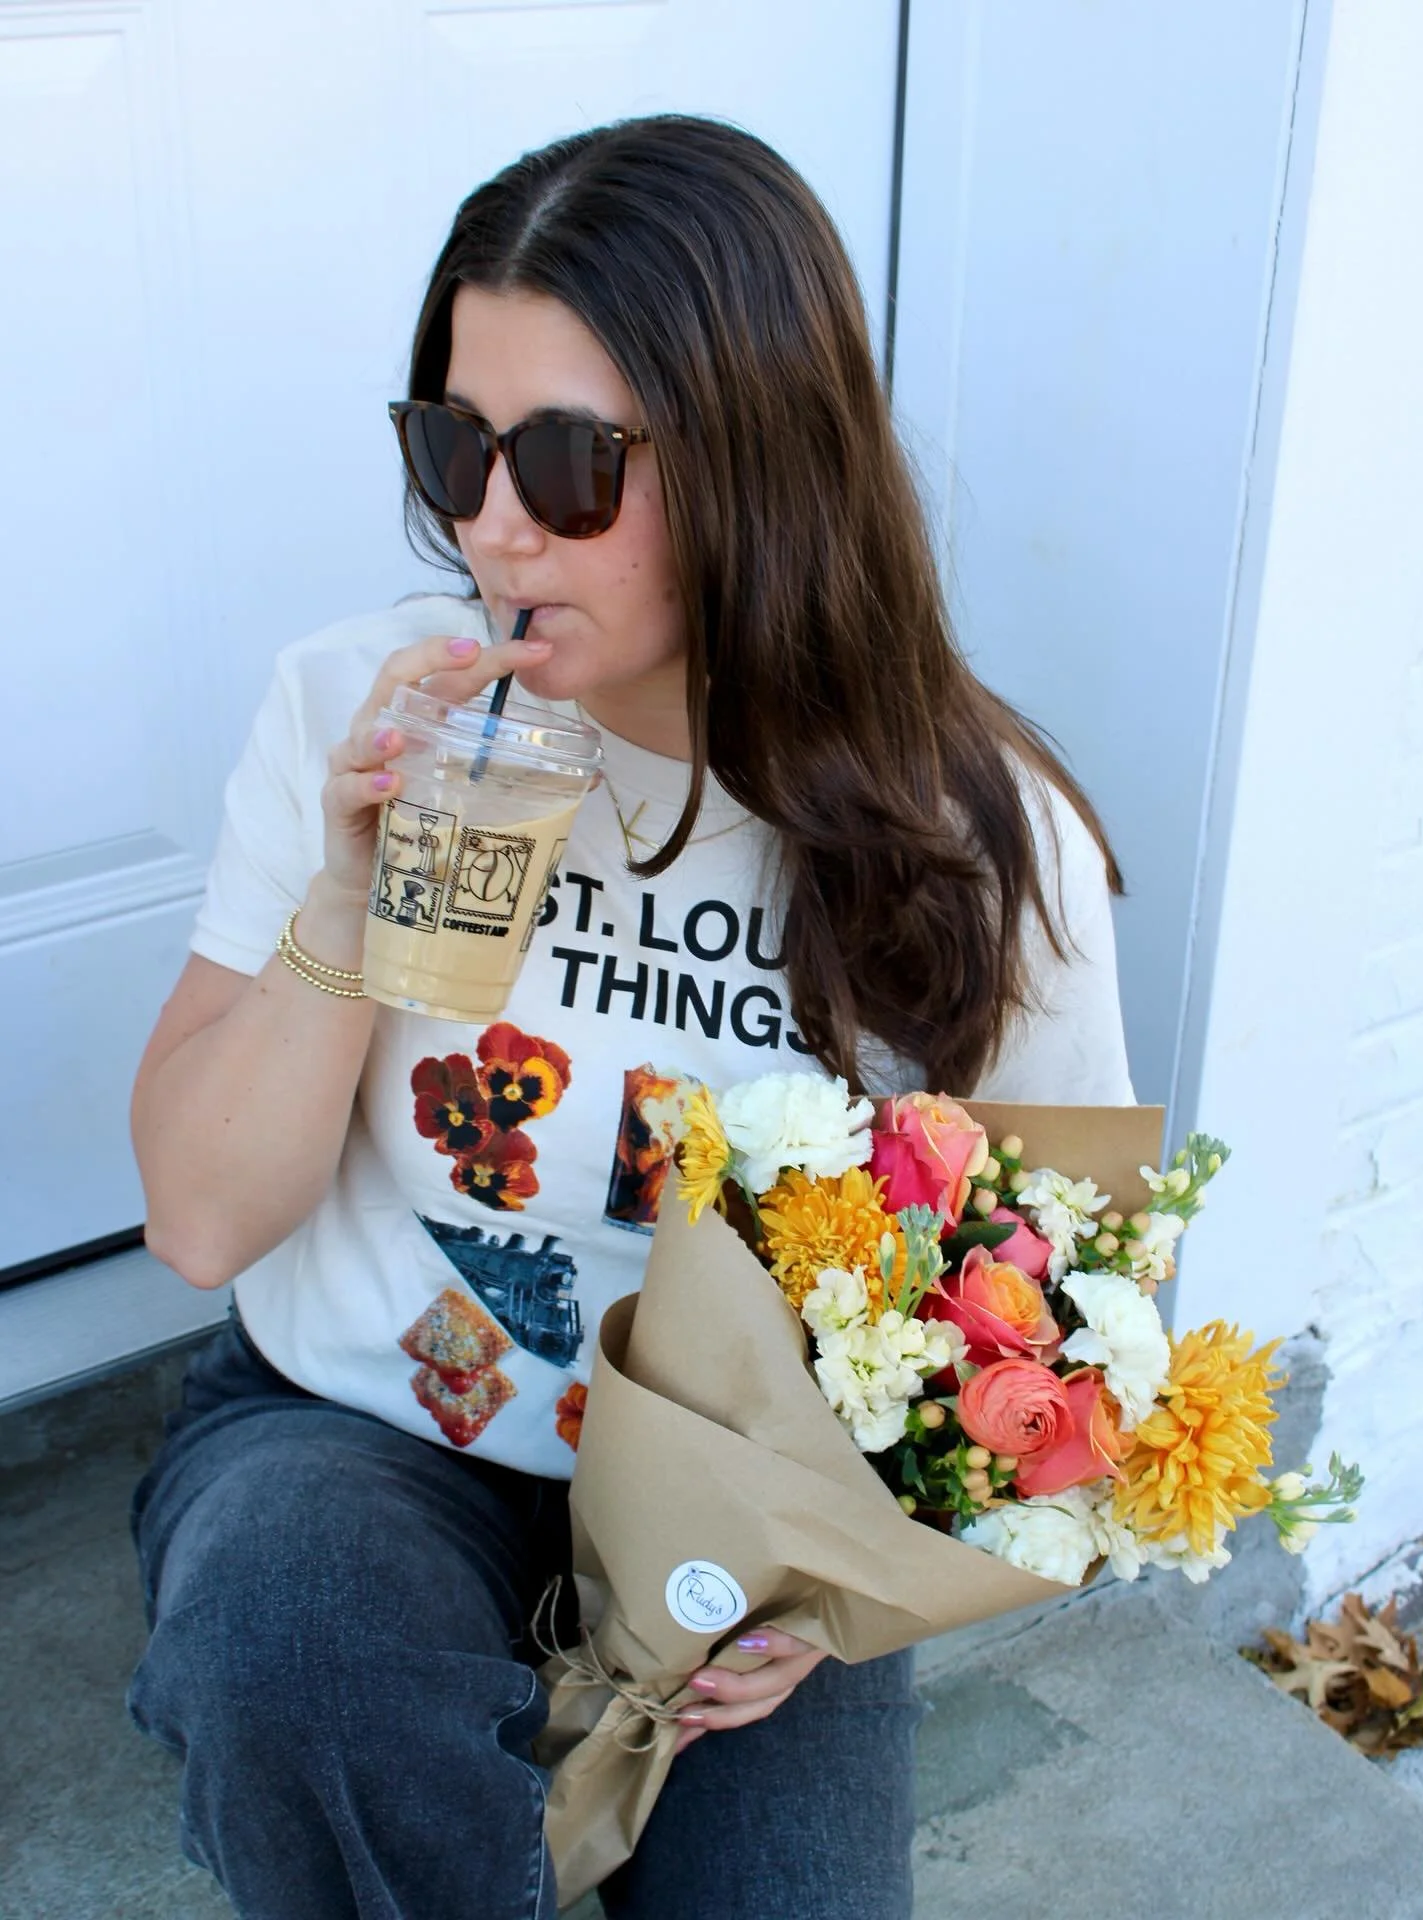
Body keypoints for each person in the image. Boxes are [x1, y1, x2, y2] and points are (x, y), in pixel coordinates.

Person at [126, 114, 1133, 1920]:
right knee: (292, 1654)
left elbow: (1072, 1318)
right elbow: (202, 1221)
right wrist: (346, 902)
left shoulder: (971, 839)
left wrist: (853, 1594)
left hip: (741, 1521)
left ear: (760, 455)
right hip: (362, 1423)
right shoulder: (356, 707)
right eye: (454, 444)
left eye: (571, 461)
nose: (492, 524)